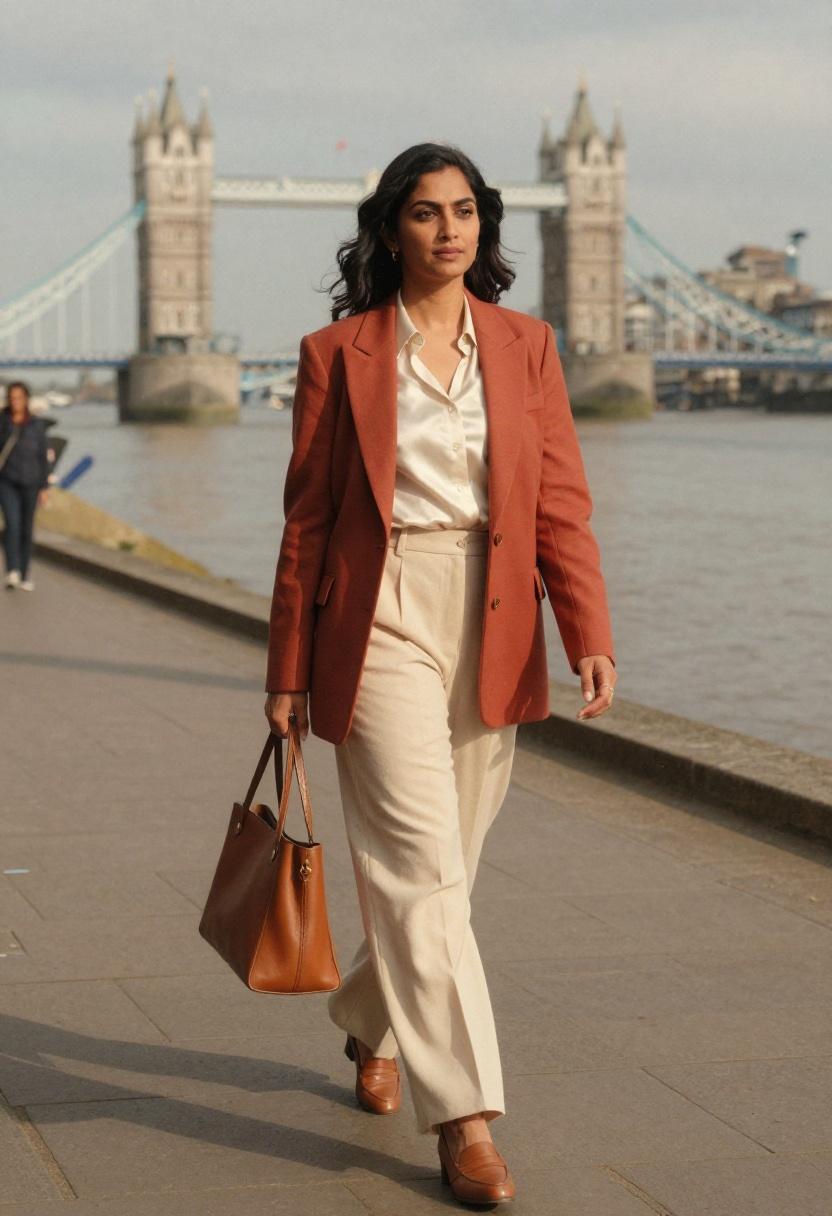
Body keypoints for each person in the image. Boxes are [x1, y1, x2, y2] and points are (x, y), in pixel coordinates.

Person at [263, 142, 617, 1207]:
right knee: (419, 869)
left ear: (483, 226)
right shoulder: (336, 354)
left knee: (446, 870)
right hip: (378, 615)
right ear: (391, 229)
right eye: (425, 212)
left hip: (494, 611)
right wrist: (286, 667)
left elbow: (560, 498)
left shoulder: (526, 344)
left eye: (464, 211)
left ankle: (370, 1020)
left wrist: (586, 626)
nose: (449, 229)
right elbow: (307, 520)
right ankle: (464, 1118)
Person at [0, 381, 51, 591]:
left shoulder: (36, 425)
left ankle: (24, 573)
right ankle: (12, 570)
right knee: (12, 524)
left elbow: (43, 457)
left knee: (26, 528)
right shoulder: (2, 422)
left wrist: (44, 487)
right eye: (12, 398)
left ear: (26, 399)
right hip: (6, 481)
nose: (15, 402)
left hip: (31, 482)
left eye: (19, 398)